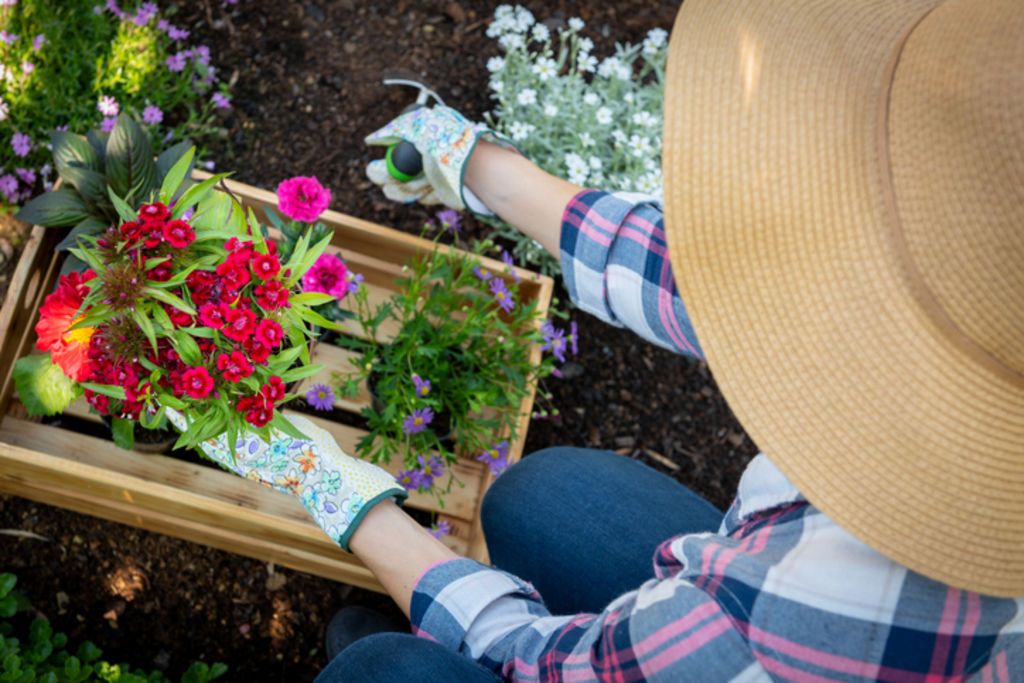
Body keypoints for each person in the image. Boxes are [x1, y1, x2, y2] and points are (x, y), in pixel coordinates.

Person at [194, 0, 1024, 679]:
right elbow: (755, 286)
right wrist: (479, 165)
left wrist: (335, 489)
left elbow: (541, 660)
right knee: (538, 499)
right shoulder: (988, 331)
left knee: (382, 675)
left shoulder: (812, 614)